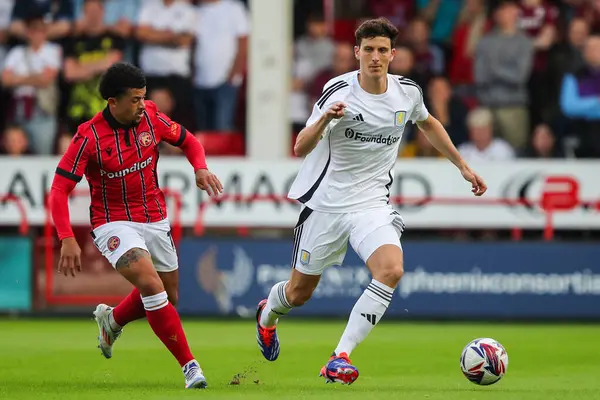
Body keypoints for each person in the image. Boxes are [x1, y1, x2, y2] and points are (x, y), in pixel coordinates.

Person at [255, 17, 487, 385]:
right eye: (368, 50)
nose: (375, 57)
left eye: (382, 50)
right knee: (298, 294)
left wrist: (462, 165)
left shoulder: (407, 92)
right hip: (326, 205)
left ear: (393, 54)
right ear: (356, 53)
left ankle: (339, 357)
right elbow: (300, 146)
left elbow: (427, 123)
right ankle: (268, 314)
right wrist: (324, 121)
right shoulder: (338, 92)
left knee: (392, 270)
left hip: (371, 204)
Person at [48, 62, 223, 389]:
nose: (142, 105)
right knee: (151, 285)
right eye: (135, 100)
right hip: (112, 222)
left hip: (154, 216)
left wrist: (200, 168)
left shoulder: (152, 117)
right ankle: (190, 367)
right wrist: (67, 238)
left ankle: (111, 320)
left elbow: (190, 142)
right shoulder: (89, 137)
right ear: (112, 102)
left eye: (144, 98)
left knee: (168, 295)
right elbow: (59, 190)